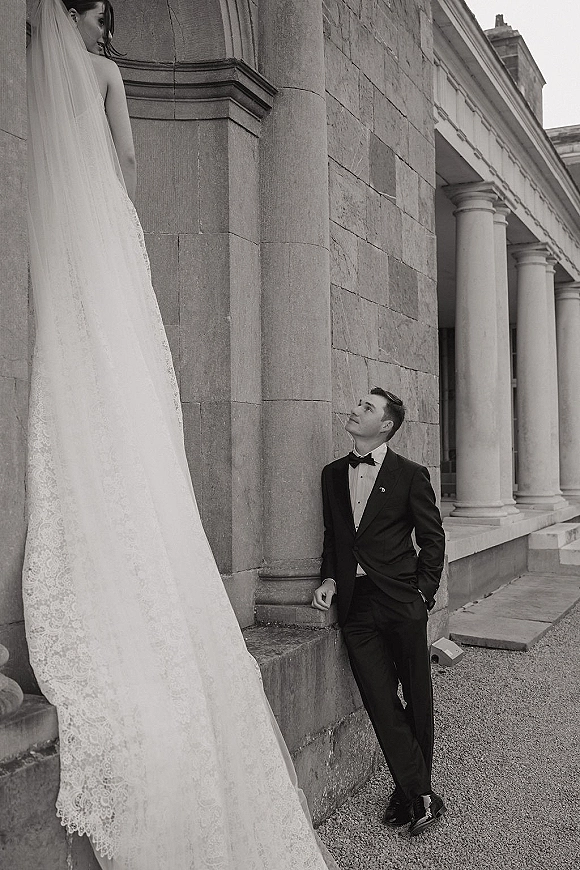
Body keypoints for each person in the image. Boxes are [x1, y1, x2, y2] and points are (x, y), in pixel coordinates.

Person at [24, 3, 338, 869]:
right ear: (91, 22)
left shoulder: (41, 70)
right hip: (99, 233)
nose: (101, 31)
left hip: (53, 235)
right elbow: (124, 158)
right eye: (101, 19)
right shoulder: (104, 75)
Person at [312, 388, 447, 835]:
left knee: (417, 698)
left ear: (386, 424)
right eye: (358, 404)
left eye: (366, 408)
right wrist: (330, 580)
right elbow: (335, 539)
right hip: (355, 607)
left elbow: (433, 540)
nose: (354, 409)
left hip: (401, 602)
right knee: (380, 701)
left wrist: (422, 596)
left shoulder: (410, 474)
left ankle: (409, 792)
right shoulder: (333, 474)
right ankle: (421, 794)